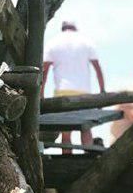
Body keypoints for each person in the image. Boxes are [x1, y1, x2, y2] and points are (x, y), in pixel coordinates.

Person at [42, 20, 105, 151]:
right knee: (86, 129)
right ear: (75, 28)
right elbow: (97, 68)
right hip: (84, 93)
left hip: (62, 93)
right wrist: (102, 90)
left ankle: (66, 158)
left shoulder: (53, 43)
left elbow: (45, 72)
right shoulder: (86, 42)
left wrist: (41, 93)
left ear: (62, 28)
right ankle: (88, 156)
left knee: (66, 131)